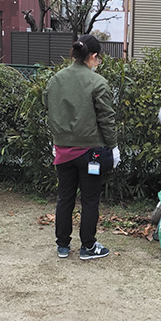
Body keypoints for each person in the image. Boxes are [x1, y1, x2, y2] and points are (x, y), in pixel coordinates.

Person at [44, 34, 120, 260]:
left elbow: (49, 110)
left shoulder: (55, 80)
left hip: (63, 150)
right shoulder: (98, 82)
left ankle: (63, 246)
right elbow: (106, 118)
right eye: (98, 58)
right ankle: (88, 246)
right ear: (94, 56)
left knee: (64, 197)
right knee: (89, 199)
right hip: (91, 152)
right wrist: (113, 147)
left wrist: (55, 139)